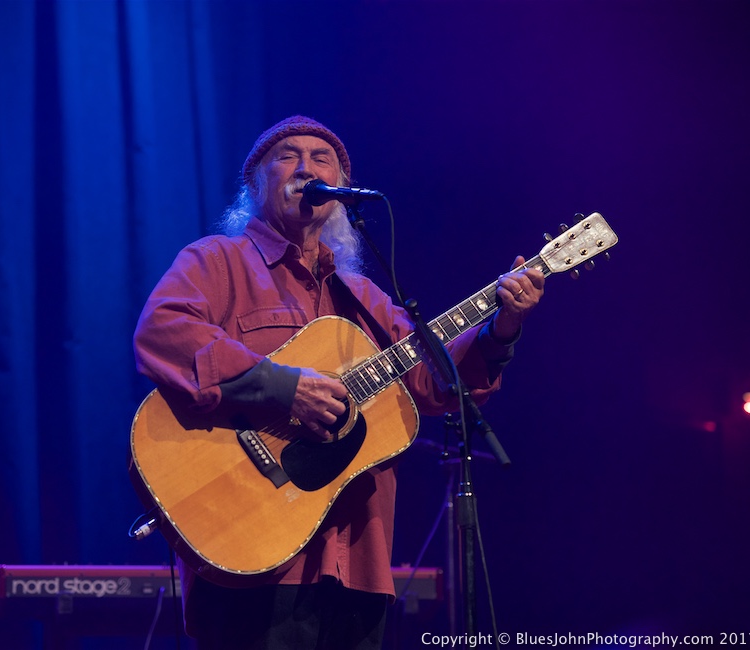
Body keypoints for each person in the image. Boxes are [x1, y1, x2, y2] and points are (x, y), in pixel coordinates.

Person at [133, 115, 544, 649]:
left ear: (342, 192)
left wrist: (501, 328)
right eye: (287, 155)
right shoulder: (216, 262)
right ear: (254, 183)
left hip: (359, 560)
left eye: (321, 158)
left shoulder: (365, 298)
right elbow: (164, 333)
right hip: (251, 552)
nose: (306, 166)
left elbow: (435, 383)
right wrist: (283, 387)